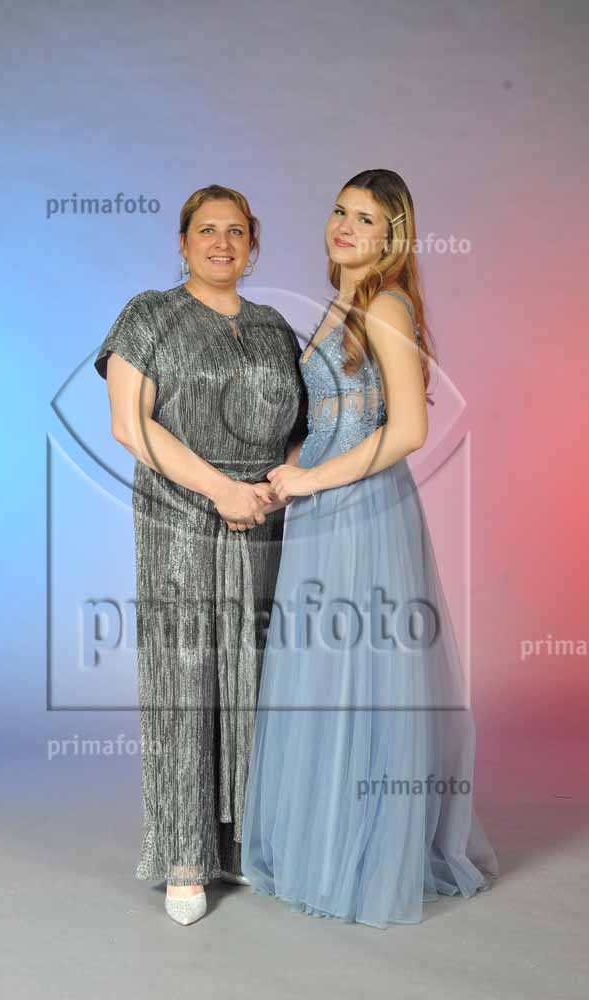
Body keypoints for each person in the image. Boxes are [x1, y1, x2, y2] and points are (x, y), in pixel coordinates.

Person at [240, 169, 499, 929]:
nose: (345, 227)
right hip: (320, 504)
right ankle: (321, 842)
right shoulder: (339, 305)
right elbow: (325, 418)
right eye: (339, 211)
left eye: (365, 218)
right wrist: (280, 477)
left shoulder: (385, 305)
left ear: (392, 237)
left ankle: (359, 859)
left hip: (361, 509)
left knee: (356, 675)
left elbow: (410, 431)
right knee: (322, 672)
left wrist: (311, 479)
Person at [94, 184, 307, 925]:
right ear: (182, 242)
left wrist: (273, 487)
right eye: (207, 230)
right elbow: (130, 425)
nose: (222, 243)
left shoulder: (275, 327)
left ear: (254, 244)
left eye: (236, 231)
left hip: (263, 518)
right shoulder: (149, 314)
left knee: (257, 673)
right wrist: (220, 489)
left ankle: (248, 841)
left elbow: (300, 428)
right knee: (186, 673)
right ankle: (185, 853)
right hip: (182, 512)